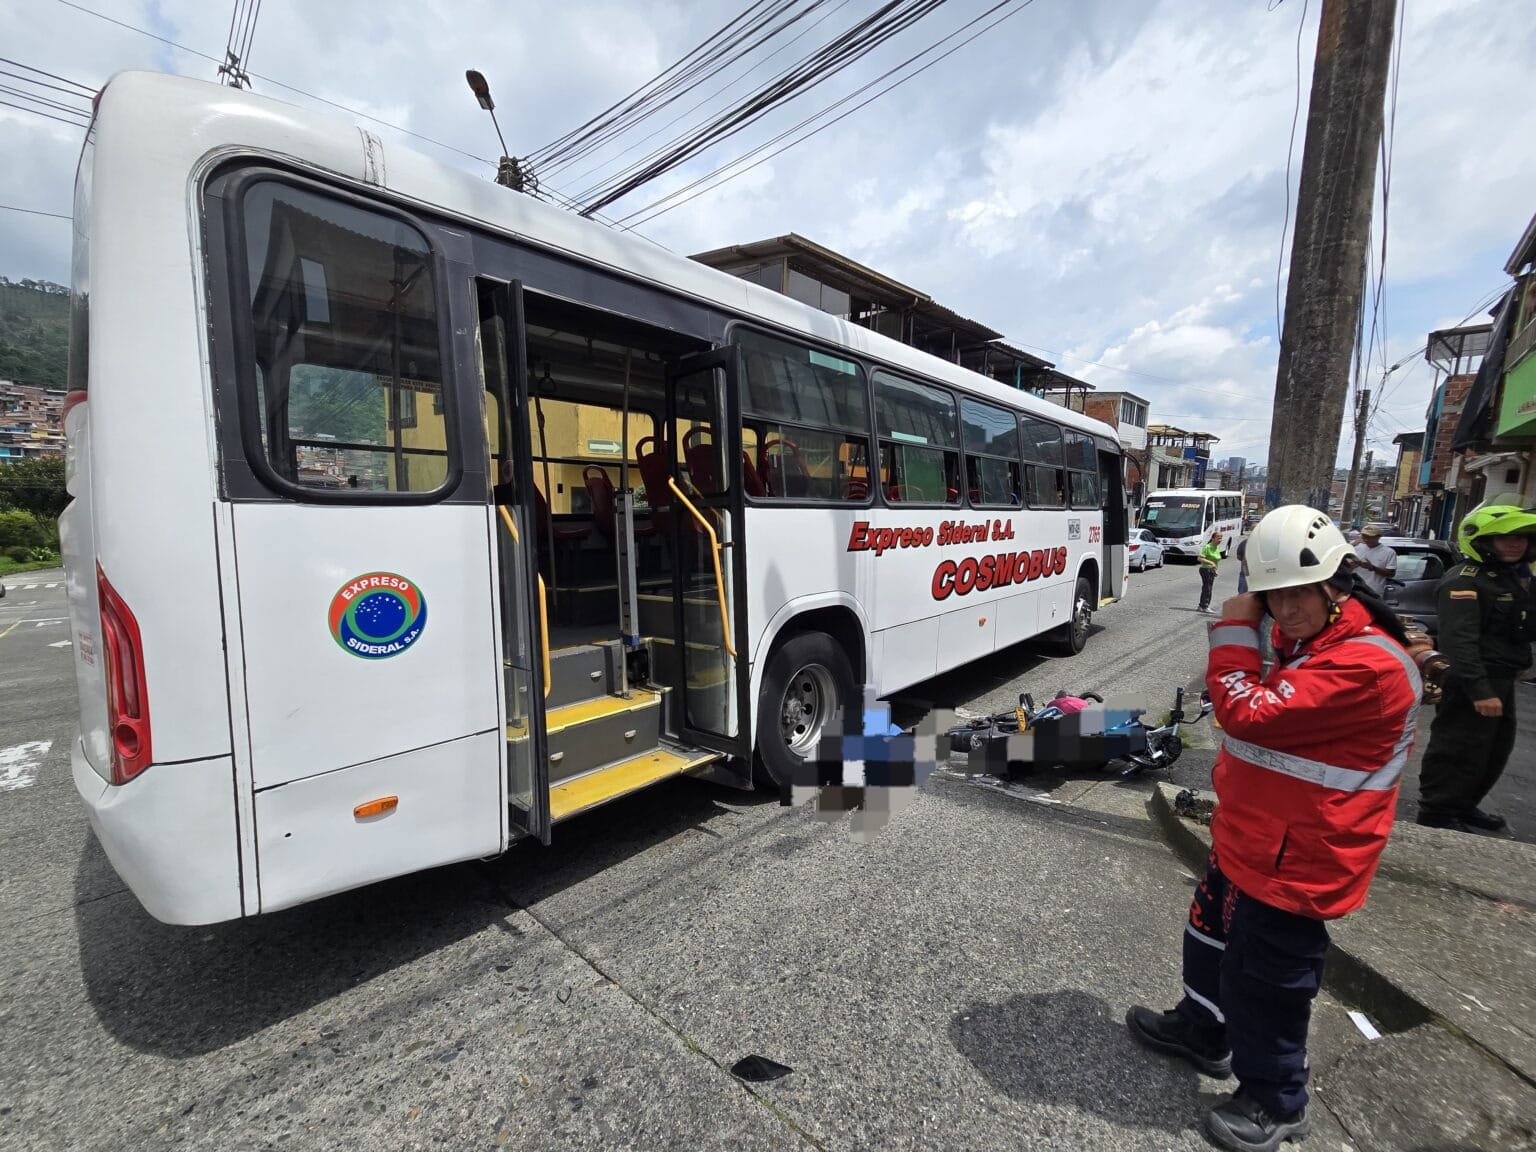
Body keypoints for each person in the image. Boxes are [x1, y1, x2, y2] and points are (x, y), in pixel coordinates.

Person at [1127, 505, 1421, 1152]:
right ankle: (1205, 1031)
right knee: (1206, 939)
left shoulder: (1367, 667)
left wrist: (1234, 631)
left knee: (1267, 984)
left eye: (1296, 595)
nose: (1283, 611)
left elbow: (1246, 713)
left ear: (1335, 585)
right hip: (1252, 837)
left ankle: (1278, 1099)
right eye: (1270, 598)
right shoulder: (1310, 641)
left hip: (1301, 858)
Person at [1415, 504, 1536, 833]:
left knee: (1493, 750)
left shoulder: (1517, 578)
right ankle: (1436, 813)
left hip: (1502, 679)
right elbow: (1459, 643)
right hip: (1472, 680)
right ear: (1484, 541)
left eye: (1521, 538)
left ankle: (1464, 805)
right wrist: (1480, 690)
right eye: (1503, 538)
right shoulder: (1464, 582)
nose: (1515, 544)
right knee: (1458, 748)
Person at [1351, 525, 1397, 597]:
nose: (1366, 539)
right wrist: (1352, 565)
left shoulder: (1389, 552)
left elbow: (1391, 574)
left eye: (1369, 537)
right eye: (1364, 536)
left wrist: (1373, 568)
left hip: (1374, 592)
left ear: (1378, 537)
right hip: (1354, 590)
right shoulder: (1355, 548)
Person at [1197, 531, 1223, 614]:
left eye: (1221, 538)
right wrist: (1211, 563)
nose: (1220, 540)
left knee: (1208, 588)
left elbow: (1216, 561)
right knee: (1207, 588)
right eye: (1218, 538)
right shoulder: (1207, 547)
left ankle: (1202, 605)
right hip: (1205, 569)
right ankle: (1204, 606)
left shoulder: (1217, 548)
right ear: (1213, 538)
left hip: (1211, 570)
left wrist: (1215, 570)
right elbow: (1200, 558)